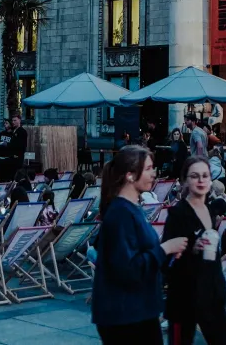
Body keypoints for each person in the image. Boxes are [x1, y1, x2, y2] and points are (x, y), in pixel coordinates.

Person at [90, 145, 188, 344]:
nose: (154, 174)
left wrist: (169, 254)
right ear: (130, 175)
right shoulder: (120, 214)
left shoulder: (132, 209)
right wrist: (165, 249)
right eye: (148, 168)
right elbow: (127, 269)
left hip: (139, 310)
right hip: (126, 316)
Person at [163, 157, 226, 345]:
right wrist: (191, 247)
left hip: (211, 296)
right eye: (195, 176)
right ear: (185, 181)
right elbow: (168, 258)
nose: (201, 180)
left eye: (205, 176)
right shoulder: (177, 214)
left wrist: (219, 290)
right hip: (185, 296)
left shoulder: (209, 211)